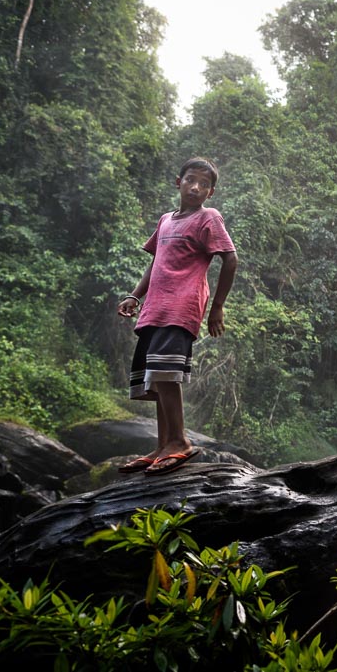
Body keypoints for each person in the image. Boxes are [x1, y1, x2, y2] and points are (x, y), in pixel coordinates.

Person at [115, 157, 238, 476]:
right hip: (155, 307)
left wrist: (218, 306)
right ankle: (162, 445)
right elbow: (156, 262)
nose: (195, 187)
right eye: (190, 180)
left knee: (167, 374)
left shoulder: (208, 218)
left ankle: (180, 442)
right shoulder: (166, 221)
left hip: (182, 305)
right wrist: (134, 295)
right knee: (155, 377)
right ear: (178, 182)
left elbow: (230, 259)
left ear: (210, 192)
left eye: (204, 184)